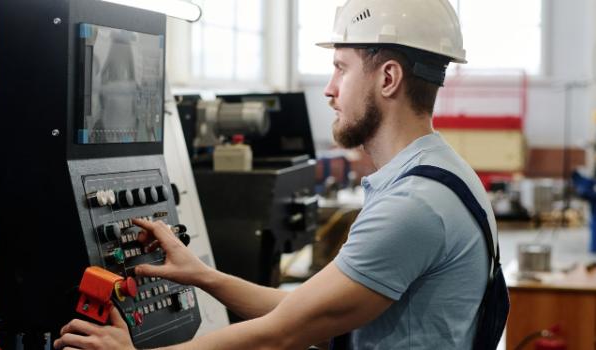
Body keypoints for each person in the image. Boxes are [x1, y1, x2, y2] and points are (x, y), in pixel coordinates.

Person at [55, 0, 499, 348]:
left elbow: (281, 336)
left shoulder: (414, 206)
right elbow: (307, 312)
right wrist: (200, 275)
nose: (329, 89)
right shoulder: (442, 177)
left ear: (388, 79)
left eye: (341, 68)